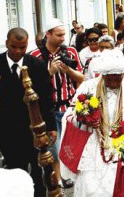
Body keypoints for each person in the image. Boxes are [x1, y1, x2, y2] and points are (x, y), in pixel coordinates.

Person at [60, 48, 124, 196]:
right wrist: (84, 119)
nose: (114, 81)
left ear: (123, 74)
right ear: (102, 74)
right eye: (109, 78)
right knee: (91, 187)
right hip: (94, 149)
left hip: (123, 150)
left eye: (118, 77)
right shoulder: (88, 87)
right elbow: (69, 116)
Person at [0, 27, 56, 196]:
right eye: (14, 47)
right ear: (7, 43)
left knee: (38, 173)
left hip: (33, 129)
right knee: (16, 171)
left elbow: (46, 98)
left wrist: (51, 126)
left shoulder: (36, 65)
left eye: (22, 47)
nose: (18, 51)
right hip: (6, 129)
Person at [30, 19, 84, 189]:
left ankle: (65, 175)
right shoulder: (35, 56)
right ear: (48, 34)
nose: (63, 38)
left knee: (70, 145)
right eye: (59, 35)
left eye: (64, 34)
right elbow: (31, 85)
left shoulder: (71, 51)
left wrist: (67, 70)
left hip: (68, 106)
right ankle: (57, 179)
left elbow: (82, 78)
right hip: (48, 108)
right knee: (54, 146)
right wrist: (50, 72)